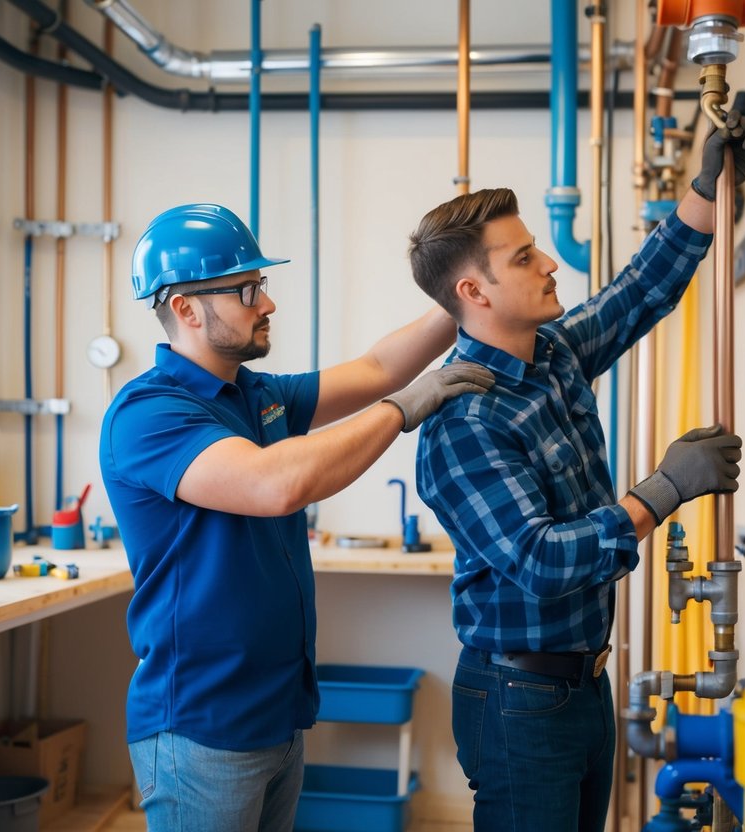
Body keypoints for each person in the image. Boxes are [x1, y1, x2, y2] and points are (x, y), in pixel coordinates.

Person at [99, 202, 493, 832]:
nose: (267, 304)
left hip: (277, 716)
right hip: (202, 728)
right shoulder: (149, 414)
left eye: (263, 286)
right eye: (247, 289)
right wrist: (402, 410)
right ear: (186, 308)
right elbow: (278, 483)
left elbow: (376, 369)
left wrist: (467, 297)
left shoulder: (257, 395)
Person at [408, 115, 745, 831]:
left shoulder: (551, 353)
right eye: (525, 257)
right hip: (517, 695)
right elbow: (539, 560)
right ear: (474, 291)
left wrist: (703, 192)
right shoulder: (464, 422)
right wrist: (662, 491)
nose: (548, 265)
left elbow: (636, 294)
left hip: (583, 682)